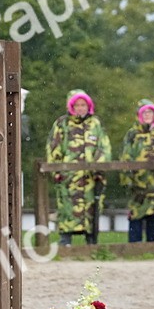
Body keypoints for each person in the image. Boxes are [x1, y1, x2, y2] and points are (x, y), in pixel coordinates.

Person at [46, 89, 111, 245]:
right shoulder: (62, 123)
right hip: (69, 178)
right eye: (77, 105)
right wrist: (56, 171)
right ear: (71, 106)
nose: (81, 108)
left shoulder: (95, 124)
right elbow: (53, 148)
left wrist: (99, 168)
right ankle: (65, 241)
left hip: (91, 179)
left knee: (92, 209)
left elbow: (104, 147)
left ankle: (92, 242)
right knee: (67, 208)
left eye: (83, 105)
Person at [119, 98, 154, 242]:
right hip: (137, 184)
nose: (147, 115)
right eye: (144, 112)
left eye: (150, 112)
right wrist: (127, 179)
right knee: (136, 216)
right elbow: (125, 156)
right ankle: (134, 247)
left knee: (153, 216)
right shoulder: (133, 134)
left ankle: (153, 246)